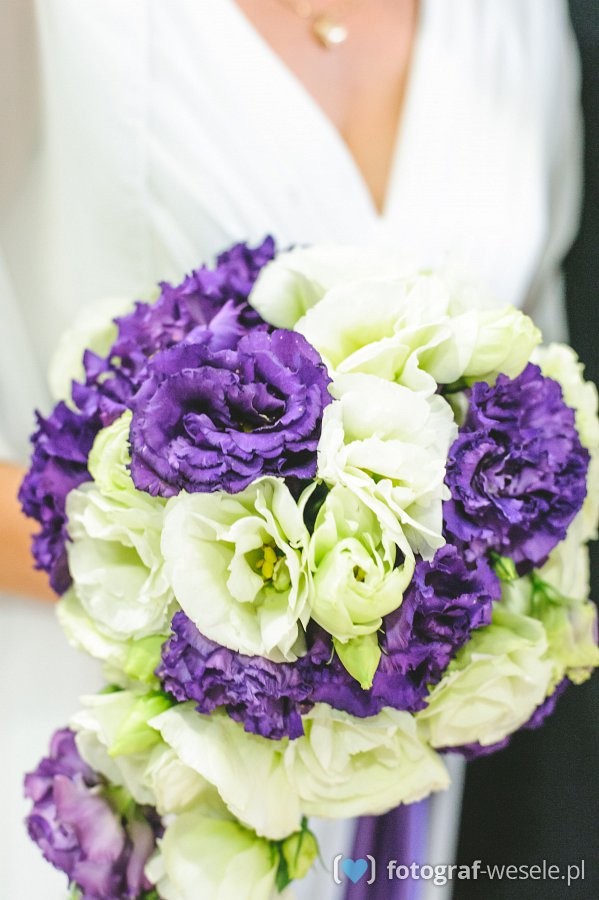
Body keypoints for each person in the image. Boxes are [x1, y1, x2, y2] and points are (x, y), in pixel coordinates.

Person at [0, 2, 582, 898]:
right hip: (96, 755)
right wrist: (206, 606)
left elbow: (535, 386)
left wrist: (446, 616)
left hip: (372, 790)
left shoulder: (517, 21)